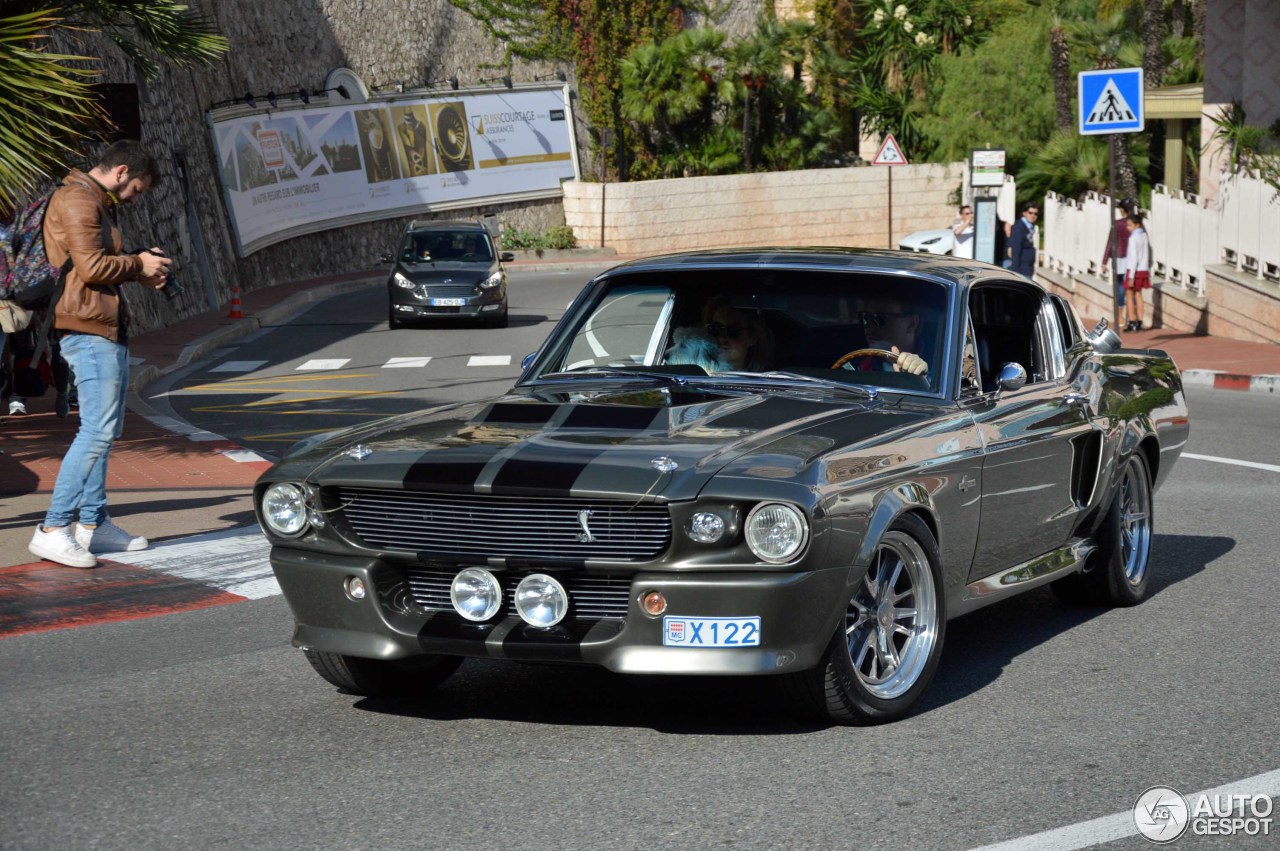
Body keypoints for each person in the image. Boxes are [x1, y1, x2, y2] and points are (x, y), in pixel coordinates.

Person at [27, 140, 172, 569]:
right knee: (96, 432)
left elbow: (96, 265)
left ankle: (93, 524)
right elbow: (90, 267)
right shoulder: (77, 198)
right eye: (137, 189)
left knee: (104, 431)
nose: (135, 197)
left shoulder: (94, 200)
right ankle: (53, 528)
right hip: (85, 329)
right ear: (122, 171)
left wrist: (141, 270)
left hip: (101, 326)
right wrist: (138, 265)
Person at [666, 295, 774, 373]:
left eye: (733, 331)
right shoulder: (688, 374)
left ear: (752, 338)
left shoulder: (767, 380)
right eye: (715, 329)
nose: (721, 338)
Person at [842, 294, 929, 377]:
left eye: (880, 319)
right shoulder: (854, 367)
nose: (870, 327)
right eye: (866, 317)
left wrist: (921, 378)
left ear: (912, 324)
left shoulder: (939, 367)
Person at [1101, 198, 1134, 317]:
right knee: (1131, 287)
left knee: (1120, 286)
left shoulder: (1117, 224)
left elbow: (1110, 242)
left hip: (1119, 258)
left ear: (1121, 209)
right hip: (1132, 258)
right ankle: (1131, 316)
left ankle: (1120, 314)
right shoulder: (1137, 224)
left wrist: (1104, 261)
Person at [1123, 212, 1152, 332]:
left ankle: (1131, 322)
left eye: (1129, 225)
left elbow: (1134, 258)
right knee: (1139, 295)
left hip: (1133, 269)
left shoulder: (1133, 238)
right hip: (1143, 269)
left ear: (1137, 224)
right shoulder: (1144, 236)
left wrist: (1131, 276)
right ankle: (1140, 322)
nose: (1127, 227)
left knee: (1129, 295)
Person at [1008, 202, 1039, 280]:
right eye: (1030, 213)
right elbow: (1015, 250)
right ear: (1024, 213)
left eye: (1035, 214)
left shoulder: (1029, 227)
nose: (1033, 215)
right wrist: (1015, 272)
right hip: (1021, 271)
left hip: (1027, 269)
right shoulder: (1019, 228)